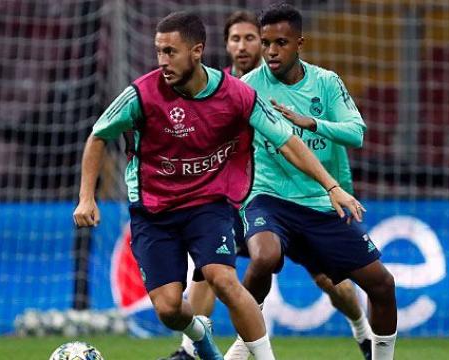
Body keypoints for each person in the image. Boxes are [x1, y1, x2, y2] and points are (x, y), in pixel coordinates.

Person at [73, 11, 365, 360]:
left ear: (197, 51)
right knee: (169, 308)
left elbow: (289, 141)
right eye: (159, 52)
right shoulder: (142, 94)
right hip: (155, 210)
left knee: (224, 277)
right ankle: (197, 339)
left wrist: (332, 187)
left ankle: (292, 348)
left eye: (171, 52)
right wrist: (86, 198)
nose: (163, 61)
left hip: (219, 203)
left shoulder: (239, 95)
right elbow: (98, 135)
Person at [163, 10, 375, 360]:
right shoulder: (227, 92)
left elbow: (343, 135)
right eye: (239, 39)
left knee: (329, 281)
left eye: (252, 39)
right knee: (210, 266)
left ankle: (362, 331)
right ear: (227, 46)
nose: (248, 46)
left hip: (308, 197)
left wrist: (332, 181)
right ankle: (192, 349)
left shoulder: (312, 84)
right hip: (249, 198)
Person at [224, 4, 398, 360]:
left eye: (281, 43)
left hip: (320, 203)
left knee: (382, 285)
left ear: (300, 43)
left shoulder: (326, 83)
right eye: (267, 43)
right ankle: (245, 346)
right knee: (265, 256)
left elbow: (356, 133)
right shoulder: (248, 87)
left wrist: (313, 123)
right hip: (268, 197)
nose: (271, 52)